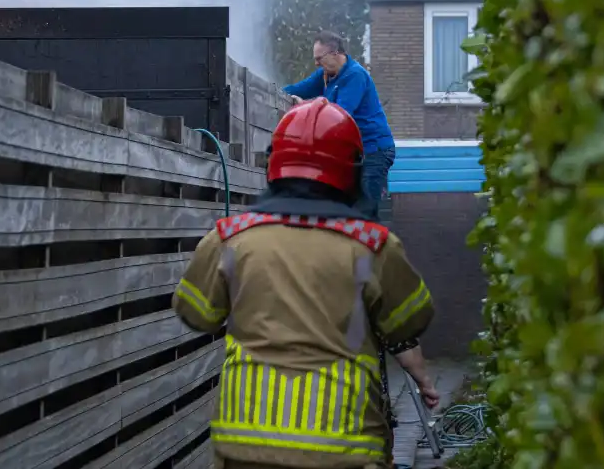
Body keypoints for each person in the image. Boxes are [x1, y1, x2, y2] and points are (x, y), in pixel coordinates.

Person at [173, 98, 436, 469]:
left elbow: (196, 313)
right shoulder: (373, 247)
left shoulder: (229, 238)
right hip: (343, 444)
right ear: (352, 171)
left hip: (246, 442)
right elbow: (410, 320)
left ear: (273, 165)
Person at [283, 31, 396, 221]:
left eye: (319, 58)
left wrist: (303, 104)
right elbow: (295, 89)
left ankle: (370, 248)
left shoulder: (355, 76)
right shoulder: (326, 75)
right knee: (350, 207)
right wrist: (274, 92)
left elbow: (339, 115)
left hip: (374, 151)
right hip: (357, 153)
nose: (316, 63)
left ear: (335, 54)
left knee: (365, 210)